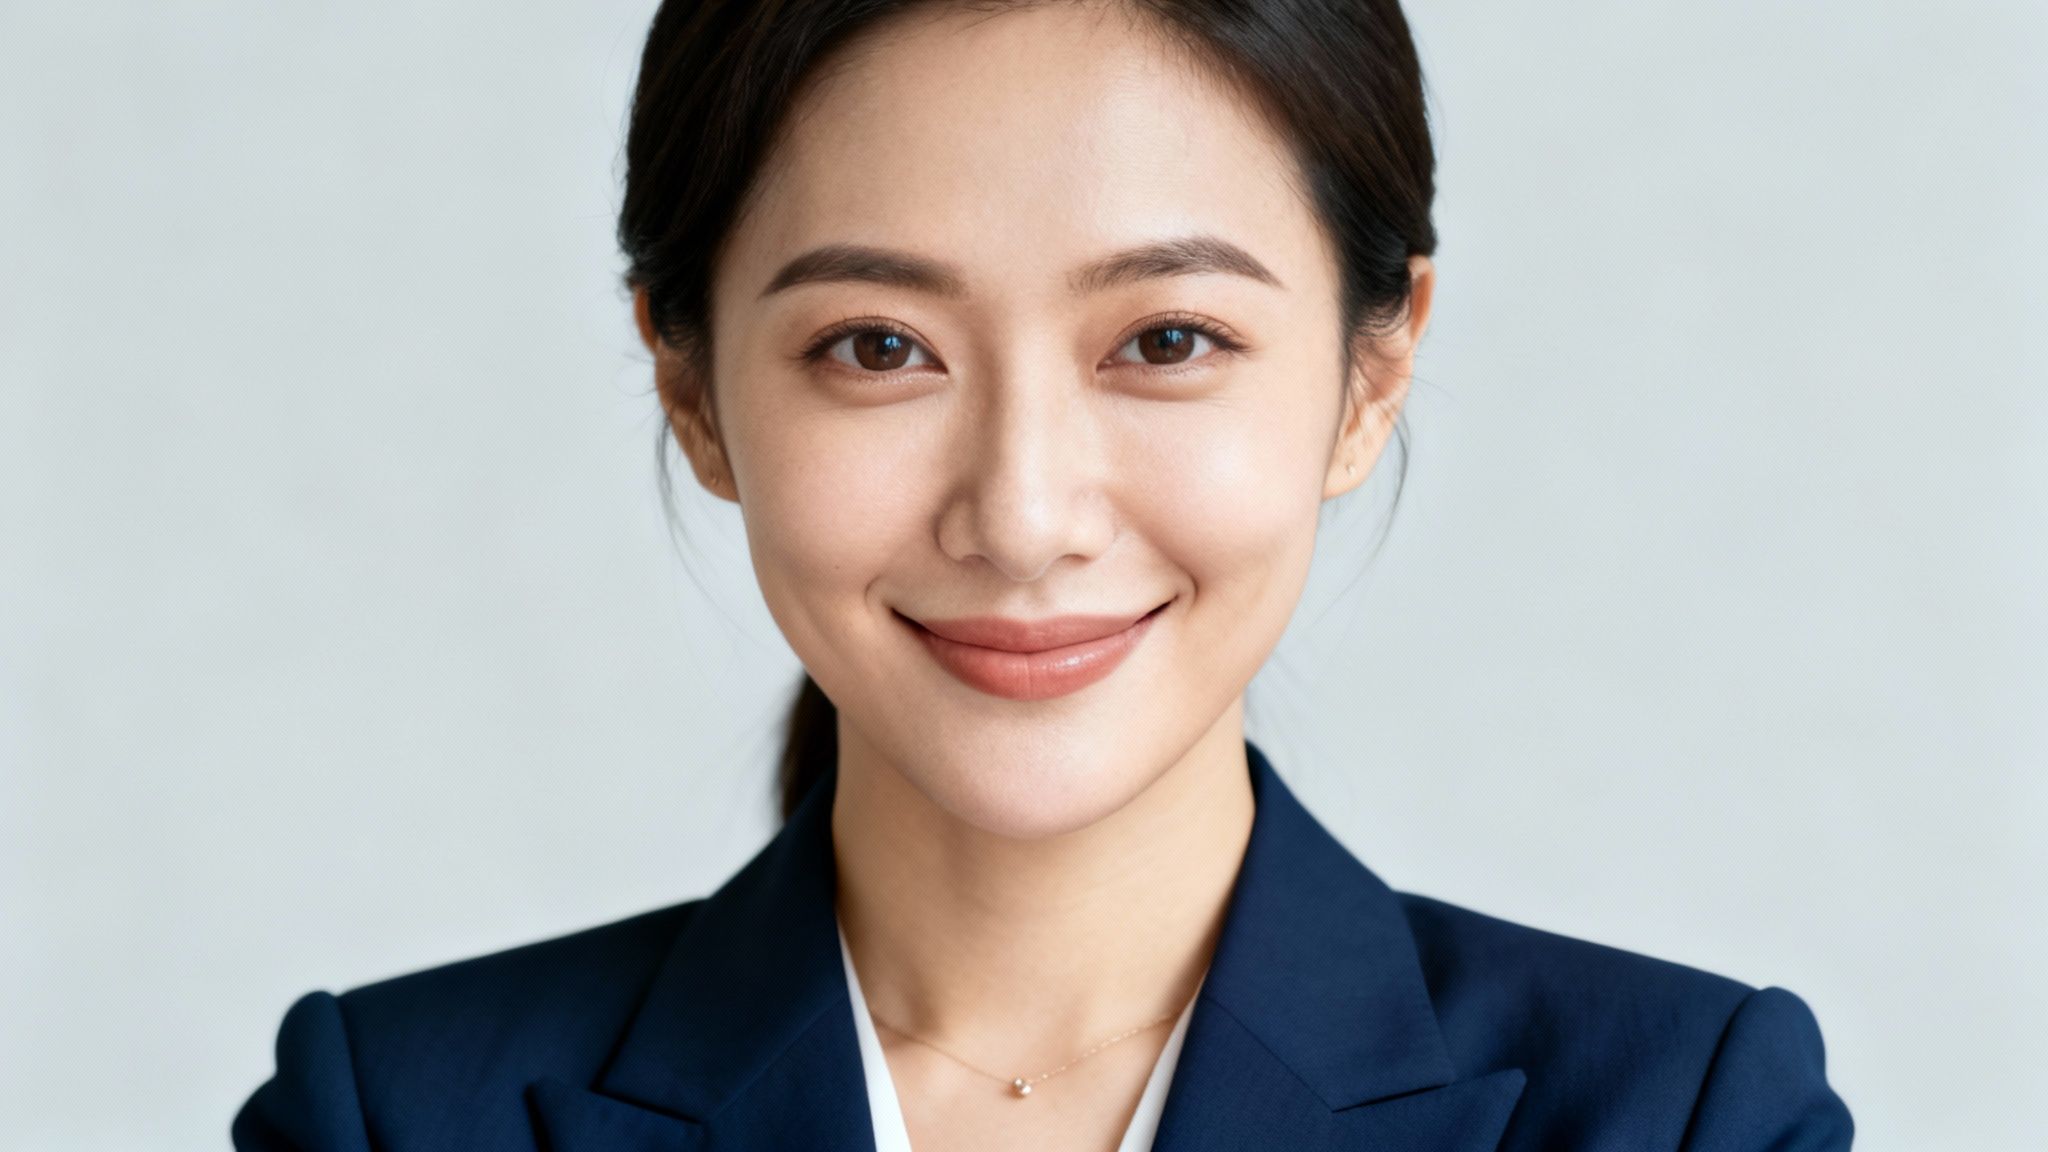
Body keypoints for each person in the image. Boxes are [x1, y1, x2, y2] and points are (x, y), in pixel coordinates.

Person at [233, 0, 1855, 1148]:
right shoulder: (398, 1115)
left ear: (1372, 373)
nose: (1021, 514)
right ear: (691, 389)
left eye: (1166, 340)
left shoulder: (1677, 1115)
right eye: (878, 347)